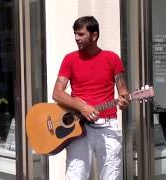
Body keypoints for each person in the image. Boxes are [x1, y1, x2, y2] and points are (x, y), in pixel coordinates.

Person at [52, 16, 129, 180]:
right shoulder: (70, 59)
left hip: (108, 127)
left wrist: (124, 102)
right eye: (75, 34)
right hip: (79, 129)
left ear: (94, 36)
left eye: (80, 34)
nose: (76, 38)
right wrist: (82, 107)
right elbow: (57, 93)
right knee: (75, 176)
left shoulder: (112, 58)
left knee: (112, 177)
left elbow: (124, 93)